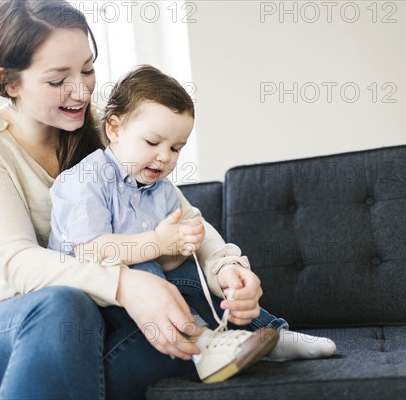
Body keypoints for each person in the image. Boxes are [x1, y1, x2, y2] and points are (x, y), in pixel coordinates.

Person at [0, 1, 335, 399]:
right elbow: (18, 262)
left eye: (88, 69)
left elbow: (183, 216)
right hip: (6, 323)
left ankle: (250, 339)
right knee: (65, 304)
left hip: (98, 319)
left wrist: (228, 267)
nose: (81, 91)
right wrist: (125, 286)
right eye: (57, 80)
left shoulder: (105, 131)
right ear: (10, 82)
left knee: (168, 309)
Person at [48, 64, 282, 384]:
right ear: (115, 129)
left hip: (141, 299)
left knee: (188, 271)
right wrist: (159, 243)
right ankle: (203, 343)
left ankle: (276, 337)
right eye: (153, 142)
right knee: (141, 265)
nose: (164, 158)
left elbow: (171, 257)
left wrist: (185, 245)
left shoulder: (161, 190)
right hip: (94, 297)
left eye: (175, 149)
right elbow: (93, 251)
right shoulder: (85, 180)